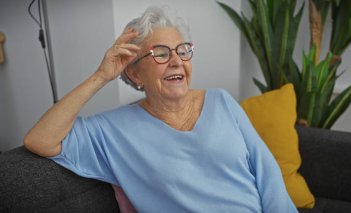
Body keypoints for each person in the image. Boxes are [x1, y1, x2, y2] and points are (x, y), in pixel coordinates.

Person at [24, 5, 298, 213]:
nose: (177, 61)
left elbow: (268, 174)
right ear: (134, 73)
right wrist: (100, 76)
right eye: (161, 54)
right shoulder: (113, 131)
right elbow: (39, 140)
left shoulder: (221, 101)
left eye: (182, 50)